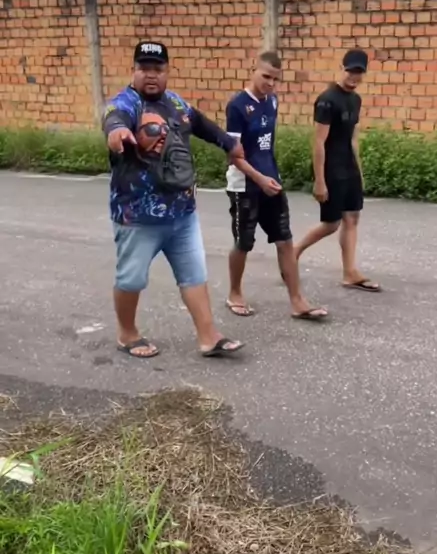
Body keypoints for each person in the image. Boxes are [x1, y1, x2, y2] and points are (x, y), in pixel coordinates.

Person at [102, 40, 246, 359]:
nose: (151, 75)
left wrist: (228, 143)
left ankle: (209, 337)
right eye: (144, 68)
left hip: (182, 212)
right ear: (133, 70)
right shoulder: (126, 103)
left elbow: (201, 123)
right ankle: (127, 333)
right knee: (131, 279)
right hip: (139, 217)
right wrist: (117, 134)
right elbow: (114, 119)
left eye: (157, 68)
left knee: (194, 274)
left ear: (167, 71)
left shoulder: (176, 104)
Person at [224, 50, 328, 320]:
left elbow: (266, 147)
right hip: (244, 185)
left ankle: (298, 301)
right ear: (254, 70)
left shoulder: (272, 101)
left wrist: (271, 177)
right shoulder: (237, 106)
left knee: (285, 240)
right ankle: (234, 293)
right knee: (243, 242)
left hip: (271, 182)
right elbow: (233, 155)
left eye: (275, 79)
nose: (270, 83)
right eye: (266, 76)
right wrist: (259, 179)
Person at [293, 48, 380, 291]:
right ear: (341, 69)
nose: (354, 76)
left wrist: (359, 171)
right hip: (331, 169)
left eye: (359, 72)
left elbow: (353, 139)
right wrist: (319, 180)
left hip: (349, 168)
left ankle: (350, 272)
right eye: (350, 71)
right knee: (331, 224)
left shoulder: (356, 100)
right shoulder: (327, 99)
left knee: (352, 218)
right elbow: (319, 142)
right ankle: (293, 252)